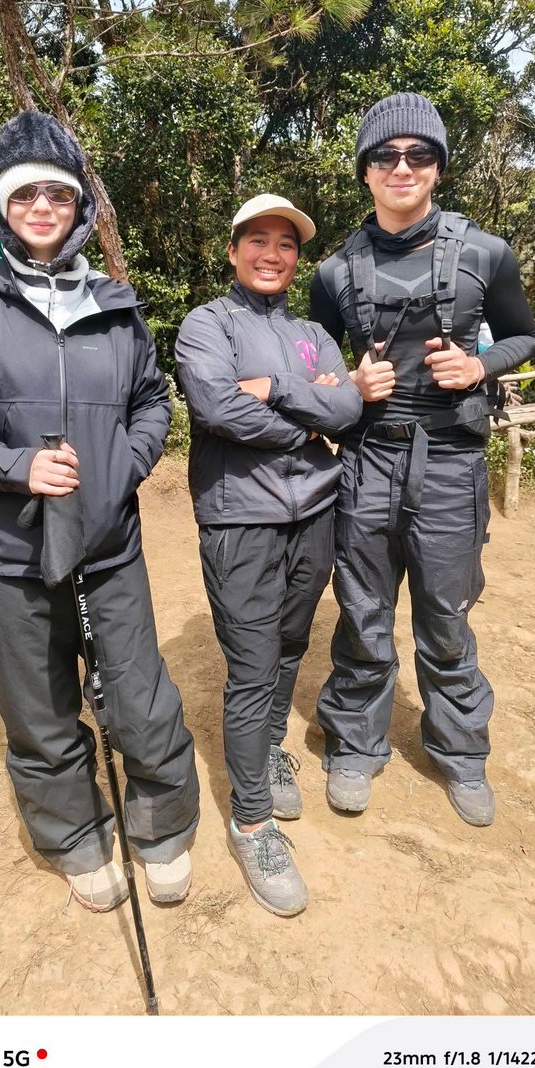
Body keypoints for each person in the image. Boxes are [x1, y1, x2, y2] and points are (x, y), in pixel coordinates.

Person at [0, 111, 199, 911]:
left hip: (109, 544)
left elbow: (153, 404)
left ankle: (162, 825)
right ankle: (76, 835)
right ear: (3, 206)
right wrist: (17, 466)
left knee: (139, 696)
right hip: (13, 553)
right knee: (40, 708)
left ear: (80, 207)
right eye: (27, 192)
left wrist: (120, 467)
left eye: (59, 192)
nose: (43, 205)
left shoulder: (116, 304)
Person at [310, 93, 535, 827]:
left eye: (419, 154)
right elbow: (314, 365)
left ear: (438, 167)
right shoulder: (334, 271)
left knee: (446, 613)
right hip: (368, 461)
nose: (402, 167)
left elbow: (522, 336)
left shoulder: (484, 254)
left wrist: (478, 369)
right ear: (365, 172)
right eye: (386, 155)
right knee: (364, 611)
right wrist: (347, 383)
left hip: (450, 462)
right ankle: (355, 741)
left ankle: (461, 751)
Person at [175, 194, 362, 915]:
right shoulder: (206, 324)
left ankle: (272, 747)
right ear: (233, 250)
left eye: (286, 243)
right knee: (252, 670)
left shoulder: (314, 333)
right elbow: (219, 408)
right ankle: (251, 821)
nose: (272, 253)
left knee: (291, 642)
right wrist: (308, 424)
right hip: (241, 521)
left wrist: (282, 391)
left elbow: (349, 409)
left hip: (316, 512)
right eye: (258, 239)